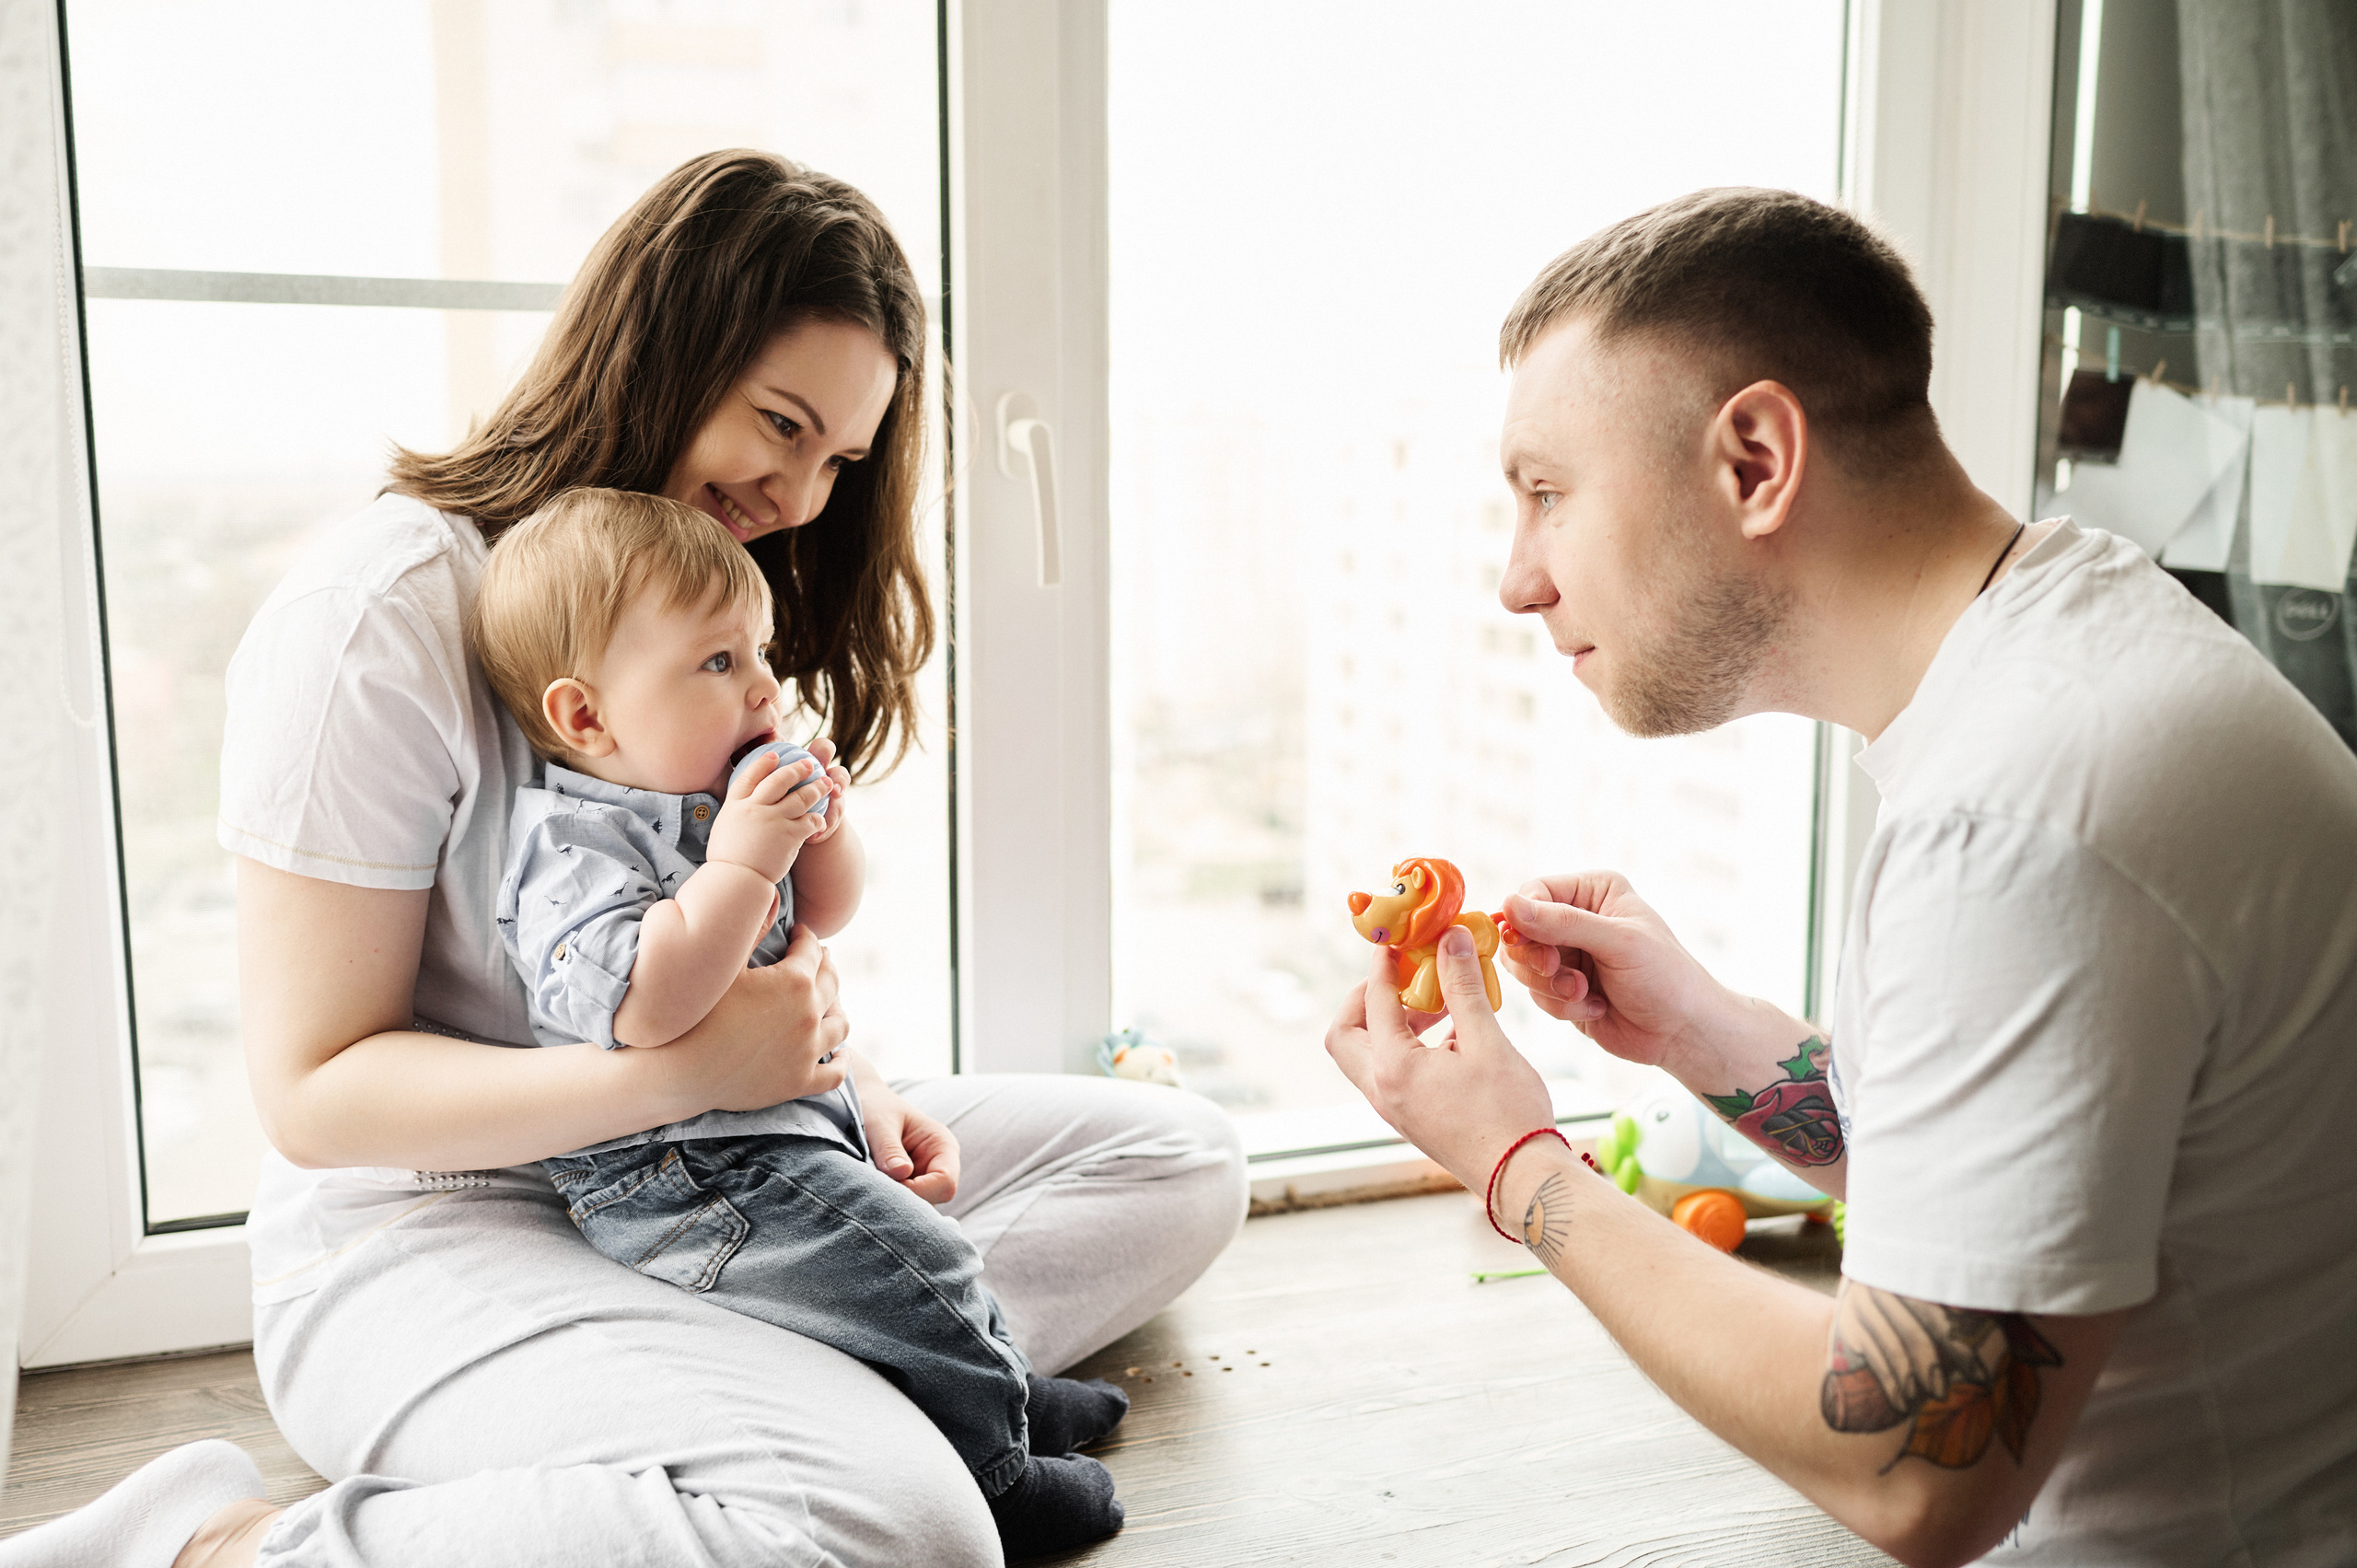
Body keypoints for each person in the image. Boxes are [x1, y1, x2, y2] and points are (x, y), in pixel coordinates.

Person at [0, 151, 1243, 1568]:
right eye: (781, 425)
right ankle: (211, 1543)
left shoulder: (705, 604)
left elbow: (732, 933)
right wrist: (677, 1078)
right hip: (435, 1227)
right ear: (662, 351)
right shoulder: (386, 614)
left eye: (838, 460)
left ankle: (784, 1373)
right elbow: (317, 1093)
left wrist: (857, 1084)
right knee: (907, 1526)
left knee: (1174, 1158)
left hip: (728, 1157)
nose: (798, 494)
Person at [1325, 188, 2357, 1568]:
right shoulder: (2070, 649)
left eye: (1548, 494)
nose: (1519, 579)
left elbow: (1911, 1465)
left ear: (1755, 458)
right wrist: (1699, 1028)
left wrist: (1520, 1165)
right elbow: (2031, 1191)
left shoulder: (2023, 812)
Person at [473, 488, 1128, 1554]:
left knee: (913, 1262)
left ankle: (996, 1390)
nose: (765, 686)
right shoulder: (571, 848)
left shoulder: (703, 795)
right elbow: (653, 1004)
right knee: (922, 1268)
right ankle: (1001, 1476)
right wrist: (742, 857)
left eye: (760, 651)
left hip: (777, 1125)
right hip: (682, 1171)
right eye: (717, 662)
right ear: (585, 715)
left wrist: (819, 829)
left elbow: (825, 912)